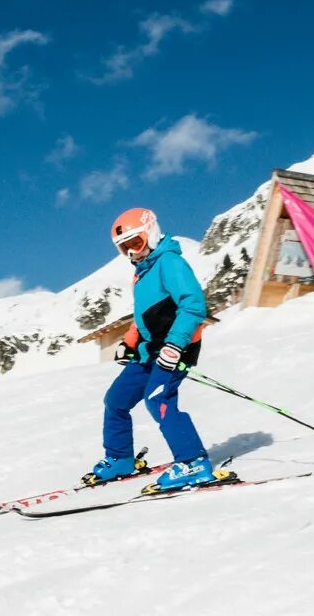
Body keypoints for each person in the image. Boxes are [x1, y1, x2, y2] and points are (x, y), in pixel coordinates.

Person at [85, 207, 233, 493]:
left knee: (157, 399)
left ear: (150, 233)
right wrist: (128, 344)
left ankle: (193, 462)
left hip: (176, 349)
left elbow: (193, 306)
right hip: (149, 352)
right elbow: (143, 317)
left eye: (135, 243)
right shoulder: (141, 275)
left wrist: (175, 345)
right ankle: (120, 459)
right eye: (123, 248)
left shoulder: (169, 263)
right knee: (115, 401)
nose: (131, 253)